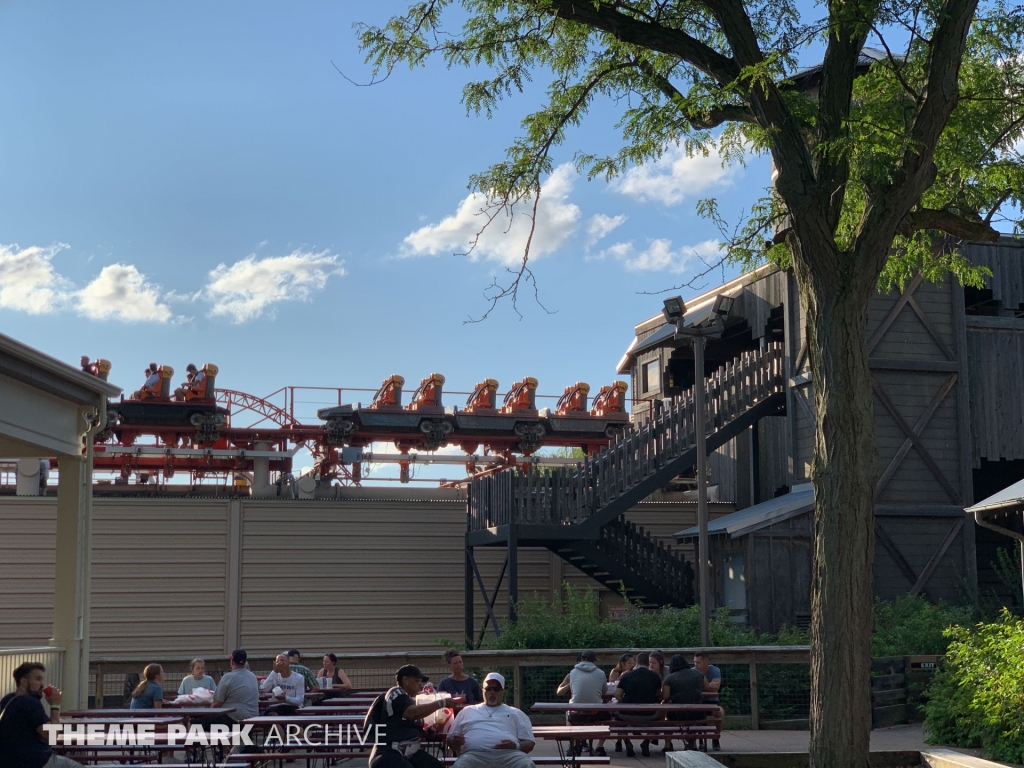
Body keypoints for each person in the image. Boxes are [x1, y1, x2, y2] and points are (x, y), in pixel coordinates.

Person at [0, 661, 84, 768]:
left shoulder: (7, 699)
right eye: (37, 679)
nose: (42, 684)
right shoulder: (30, 703)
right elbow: (52, 736)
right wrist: (55, 705)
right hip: (35, 761)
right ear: (24, 681)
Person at [366, 664, 453, 768]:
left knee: (435, 766)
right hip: (388, 752)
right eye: (417, 681)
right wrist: (441, 703)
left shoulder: (408, 700)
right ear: (405, 679)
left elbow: (405, 728)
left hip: (407, 753)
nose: (420, 685)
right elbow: (412, 713)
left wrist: (427, 732)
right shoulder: (396, 692)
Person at [447, 672, 535, 768]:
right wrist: (455, 742)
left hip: (509, 755)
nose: (492, 692)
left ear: (502, 691)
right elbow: (450, 739)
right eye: (488, 689)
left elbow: (530, 742)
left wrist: (516, 745)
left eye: (496, 689)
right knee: (460, 766)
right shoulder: (467, 711)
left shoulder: (516, 713)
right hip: (473, 756)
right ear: (483, 691)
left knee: (526, 765)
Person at [555, 650, 607, 756]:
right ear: (594, 660)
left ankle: (572, 744)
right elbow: (604, 691)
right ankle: (600, 746)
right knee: (609, 715)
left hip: (576, 713)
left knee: (569, 713)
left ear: (581, 660)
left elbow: (573, 691)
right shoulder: (600, 673)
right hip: (595, 714)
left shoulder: (573, 672)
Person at [611, 651, 663, 758]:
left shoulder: (627, 675)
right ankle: (646, 741)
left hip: (627, 713)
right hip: (649, 714)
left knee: (618, 719)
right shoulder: (655, 676)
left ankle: (627, 742)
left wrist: (623, 701)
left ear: (637, 663)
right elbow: (659, 695)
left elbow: (617, 694)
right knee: (660, 718)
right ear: (648, 663)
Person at [201, 649, 260, 727]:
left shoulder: (228, 677)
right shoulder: (253, 677)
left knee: (195, 722)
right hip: (252, 719)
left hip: (233, 719)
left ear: (232, 662)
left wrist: (209, 715)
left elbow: (217, 703)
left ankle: (192, 738)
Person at [660, 654, 706, 752]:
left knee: (667, 720)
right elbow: (707, 687)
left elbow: (665, 696)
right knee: (693, 721)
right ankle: (693, 744)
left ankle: (667, 745)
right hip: (697, 713)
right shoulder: (698, 674)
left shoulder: (669, 678)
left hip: (677, 714)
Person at [693, 651, 723, 751]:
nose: (695, 665)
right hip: (697, 702)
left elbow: (716, 687)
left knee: (720, 713)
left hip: (712, 701)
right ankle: (700, 739)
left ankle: (716, 738)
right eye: (694, 662)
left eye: (698, 662)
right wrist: (709, 686)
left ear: (706, 662)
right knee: (694, 714)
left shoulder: (715, 670)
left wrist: (703, 686)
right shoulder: (692, 671)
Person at [608, 653, 635, 754]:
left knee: (621, 717)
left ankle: (621, 740)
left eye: (633, 663)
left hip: (628, 700)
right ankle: (625, 741)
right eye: (629, 663)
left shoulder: (634, 673)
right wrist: (621, 678)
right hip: (616, 699)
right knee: (617, 715)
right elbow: (612, 688)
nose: (632, 665)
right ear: (622, 664)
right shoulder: (615, 672)